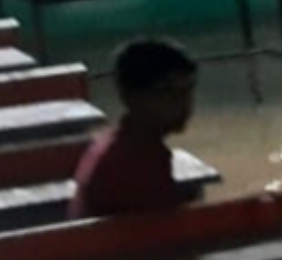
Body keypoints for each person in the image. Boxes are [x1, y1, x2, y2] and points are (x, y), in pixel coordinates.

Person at [70, 38, 200, 220]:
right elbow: (159, 233)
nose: (185, 104)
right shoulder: (133, 161)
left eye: (188, 91)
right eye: (169, 92)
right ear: (131, 96)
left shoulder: (125, 145)